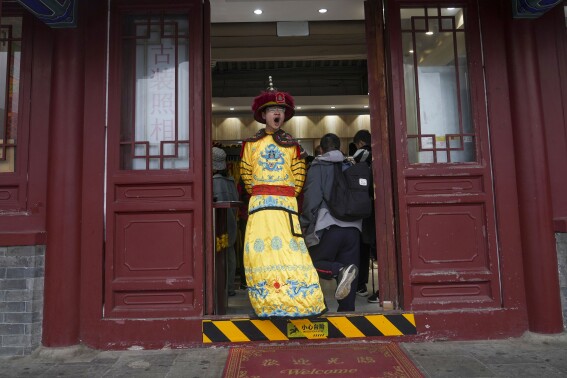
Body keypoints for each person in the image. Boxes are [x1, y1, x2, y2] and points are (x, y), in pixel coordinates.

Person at [240, 78, 327, 318]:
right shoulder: (250, 145)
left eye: (280, 110)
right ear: (264, 115)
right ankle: (267, 303)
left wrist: (287, 194)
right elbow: (246, 173)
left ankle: (299, 301)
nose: (276, 113)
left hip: (285, 206)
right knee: (260, 254)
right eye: (272, 110)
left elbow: (299, 175)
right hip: (260, 206)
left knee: (292, 252)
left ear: (284, 116)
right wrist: (261, 192)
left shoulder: (293, 146)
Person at [300, 133, 361, 312]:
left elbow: (312, 199)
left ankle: (338, 271)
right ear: (340, 146)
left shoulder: (317, 167)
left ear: (321, 148)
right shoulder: (351, 165)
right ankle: (347, 312)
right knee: (352, 269)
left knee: (312, 264)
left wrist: (305, 222)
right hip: (353, 227)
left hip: (328, 226)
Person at [351, 130, 379, 303]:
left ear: (360, 143)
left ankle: (361, 284)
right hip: (380, 207)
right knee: (379, 248)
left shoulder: (360, 154)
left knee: (363, 247)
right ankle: (385, 287)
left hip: (365, 207)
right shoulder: (381, 153)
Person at [212, 146, 240, 297]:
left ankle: (218, 288)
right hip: (231, 225)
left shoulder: (213, 182)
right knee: (230, 256)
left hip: (217, 227)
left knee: (218, 258)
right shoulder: (231, 181)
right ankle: (229, 288)